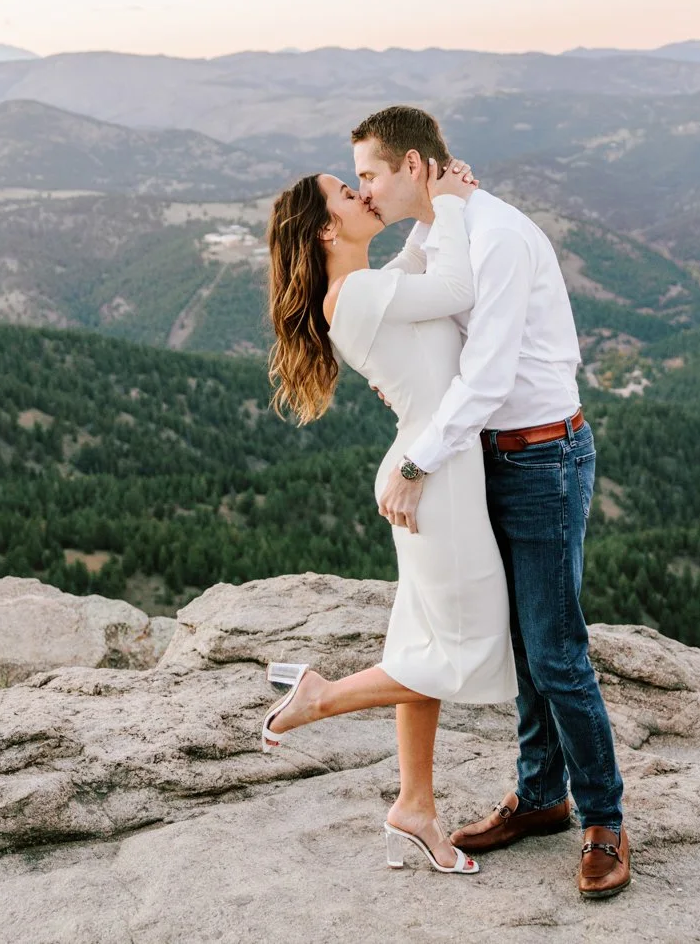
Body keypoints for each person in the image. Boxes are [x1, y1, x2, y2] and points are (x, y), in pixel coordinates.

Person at [351, 105, 629, 902]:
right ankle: (540, 797)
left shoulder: (496, 235)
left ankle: (602, 820)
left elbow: (492, 372)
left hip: (541, 455)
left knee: (556, 652)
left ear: (410, 164)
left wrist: (414, 462)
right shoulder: (448, 224)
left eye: (370, 174)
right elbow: (407, 289)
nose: (365, 189)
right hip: (491, 459)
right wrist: (444, 204)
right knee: (520, 642)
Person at [262, 156, 517, 876]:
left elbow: (414, 269)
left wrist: (427, 202)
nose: (361, 192)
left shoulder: (364, 287)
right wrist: (455, 203)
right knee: (460, 653)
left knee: (426, 641)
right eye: (347, 193)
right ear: (321, 231)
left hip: (433, 471)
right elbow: (458, 286)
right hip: (431, 479)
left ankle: (414, 806)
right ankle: (318, 698)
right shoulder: (361, 293)